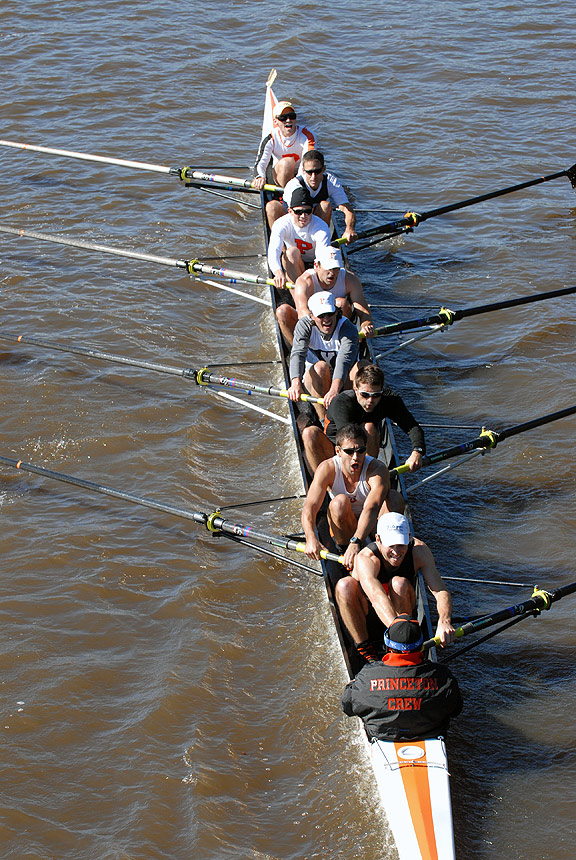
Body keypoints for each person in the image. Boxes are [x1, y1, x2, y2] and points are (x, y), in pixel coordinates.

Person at [335, 512, 455, 664]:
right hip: (369, 613)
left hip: (402, 611)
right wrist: (397, 629)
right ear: (378, 539)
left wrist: (444, 621)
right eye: (391, 545)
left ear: (409, 537)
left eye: (401, 544)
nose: (397, 552)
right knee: (344, 586)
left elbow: (440, 591)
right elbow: (376, 596)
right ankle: (365, 650)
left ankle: (399, 648)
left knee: (399, 584)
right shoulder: (366, 558)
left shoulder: (420, 550)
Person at [341, 614, 462, 740]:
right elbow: (456, 709)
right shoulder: (443, 675)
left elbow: (347, 707)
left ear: (388, 646)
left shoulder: (366, 676)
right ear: (421, 645)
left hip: (381, 735)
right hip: (430, 733)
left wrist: (352, 685)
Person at [302, 363, 425, 474]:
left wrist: (417, 452)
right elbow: (348, 442)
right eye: (365, 395)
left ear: (382, 390)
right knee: (309, 433)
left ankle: (366, 475)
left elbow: (412, 427)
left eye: (376, 395)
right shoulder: (343, 403)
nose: (370, 401)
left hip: (361, 448)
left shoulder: (390, 399)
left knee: (369, 428)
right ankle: (325, 485)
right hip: (336, 446)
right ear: (355, 389)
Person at [301, 424, 390, 571]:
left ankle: (387, 550)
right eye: (349, 452)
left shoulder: (377, 470)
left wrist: (356, 540)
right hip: (343, 522)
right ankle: (345, 554)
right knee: (339, 503)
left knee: (394, 499)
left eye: (360, 451)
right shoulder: (327, 468)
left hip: (370, 522)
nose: (356, 457)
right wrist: (310, 538)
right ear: (338, 451)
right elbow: (309, 507)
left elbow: (371, 508)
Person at [267, 186, 333, 346]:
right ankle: (300, 304)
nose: (303, 216)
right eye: (298, 212)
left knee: (294, 254)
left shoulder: (321, 228)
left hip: (314, 266)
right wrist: (277, 272)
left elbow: (323, 260)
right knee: (290, 253)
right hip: (293, 263)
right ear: (289, 211)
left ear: (312, 210)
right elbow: (273, 252)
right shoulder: (281, 224)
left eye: (308, 211)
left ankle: (306, 305)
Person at [287, 290, 359, 421]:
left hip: (344, 378)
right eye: (321, 315)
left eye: (330, 314)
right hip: (317, 377)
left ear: (336, 312)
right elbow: (298, 353)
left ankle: (354, 415)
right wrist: (295, 383)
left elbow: (344, 362)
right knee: (321, 367)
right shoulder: (304, 326)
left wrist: (334, 390)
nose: (326, 319)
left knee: (363, 368)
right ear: (312, 315)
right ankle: (323, 421)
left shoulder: (348, 329)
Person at [254, 101, 316, 225]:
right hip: (278, 175)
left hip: (300, 175)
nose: (289, 120)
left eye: (292, 116)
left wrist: (297, 184)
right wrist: (259, 177)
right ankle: (284, 199)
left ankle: (294, 202)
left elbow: (307, 162)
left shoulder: (307, 136)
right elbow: (260, 163)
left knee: (312, 169)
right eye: (283, 118)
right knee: (287, 163)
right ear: (276, 121)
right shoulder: (270, 138)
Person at [293, 246, 374, 334]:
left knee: (341, 303)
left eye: (336, 268)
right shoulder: (304, 282)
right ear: (317, 266)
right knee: (282, 312)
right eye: (328, 267)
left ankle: (342, 336)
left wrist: (366, 324)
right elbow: (302, 313)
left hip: (338, 320)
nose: (332, 273)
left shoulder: (350, 280)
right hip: (315, 322)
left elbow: (363, 311)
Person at [284, 150, 357, 243]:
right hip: (298, 222)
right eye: (309, 172)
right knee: (272, 206)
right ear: (303, 171)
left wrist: (349, 229)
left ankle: (321, 241)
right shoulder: (294, 186)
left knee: (325, 206)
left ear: (324, 169)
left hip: (316, 220)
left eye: (317, 171)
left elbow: (347, 209)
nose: (313, 177)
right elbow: (294, 218)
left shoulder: (331, 182)